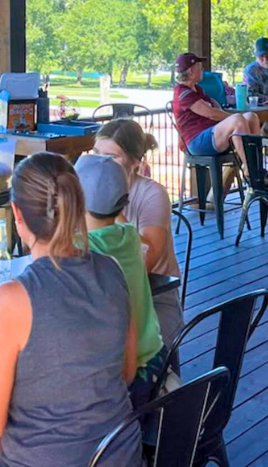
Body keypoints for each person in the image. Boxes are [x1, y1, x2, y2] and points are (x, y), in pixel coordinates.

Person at [0, 152, 141, 467]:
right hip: (119, 455)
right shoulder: (112, 270)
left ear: (17, 213)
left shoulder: (11, 299)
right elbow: (126, 372)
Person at [75, 153, 166, 408]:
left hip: (121, 372)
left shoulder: (79, 248)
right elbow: (115, 221)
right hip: (153, 359)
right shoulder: (128, 236)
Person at [95, 118, 184, 350]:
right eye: (96, 154)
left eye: (112, 157)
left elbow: (146, 260)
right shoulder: (87, 190)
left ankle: (164, 383)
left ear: (135, 162)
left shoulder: (152, 194)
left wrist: (112, 207)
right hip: (105, 297)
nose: (100, 163)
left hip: (154, 296)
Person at [173, 52, 261, 162]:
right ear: (191, 71)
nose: (202, 69)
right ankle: (250, 171)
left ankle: (257, 166)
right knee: (237, 120)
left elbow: (212, 103)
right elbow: (211, 113)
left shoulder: (196, 88)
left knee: (251, 117)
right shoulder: (183, 93)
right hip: (195, 141)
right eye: (199, 67)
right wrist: (232, 117)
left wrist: (218, 108)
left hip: (210, 134)